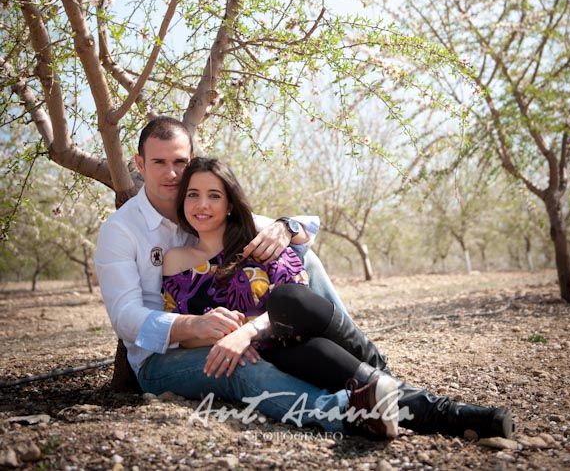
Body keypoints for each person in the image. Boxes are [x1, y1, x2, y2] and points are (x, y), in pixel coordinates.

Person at [161, 155, 515, 442]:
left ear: (229, 204)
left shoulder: (260, 240)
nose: (202, 204)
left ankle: (378, 367)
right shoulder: (177, 260)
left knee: (287, 298)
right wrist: (217, 334)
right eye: (193, 194)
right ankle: (457, 417)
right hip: (287, 355)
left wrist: (247, 332)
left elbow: (294, 300)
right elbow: (182, 332)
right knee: (364, 383)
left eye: (214, 195)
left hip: (293, 326)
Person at [94, 116, 391, 439]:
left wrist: (285, 226)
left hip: (227, 329)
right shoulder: (121, 230)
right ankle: (346, 413)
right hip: (162, 359)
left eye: (180, 161)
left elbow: (293, 228)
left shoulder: (199, 204)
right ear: (140, 163)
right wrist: (191, 325)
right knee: (236, 363)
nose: (171, 173)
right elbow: (124, 317)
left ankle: (367, 366)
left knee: (306, 259)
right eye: (159, 162)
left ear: (191, 160)